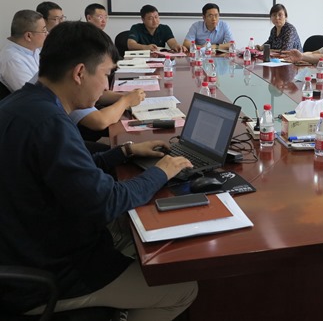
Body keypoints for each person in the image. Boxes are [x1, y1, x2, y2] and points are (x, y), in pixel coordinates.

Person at [0, 21, 197, 319]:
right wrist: (161, 172)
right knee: (182, 289)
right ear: (79, 73)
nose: (107, 86)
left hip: (26, 243)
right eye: (106, 75)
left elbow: (67, 169)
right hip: (51, 273)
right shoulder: (50, 123)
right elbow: (107, 201)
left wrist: (125, 152)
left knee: (135, 234)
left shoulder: (24, 103)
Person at [0, 10, 47, 92]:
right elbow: (31, 93)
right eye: (43, 30)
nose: (47, 33)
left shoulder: (33, 49)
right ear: (28, 36)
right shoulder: (12, 59)